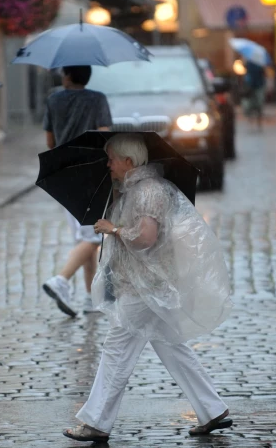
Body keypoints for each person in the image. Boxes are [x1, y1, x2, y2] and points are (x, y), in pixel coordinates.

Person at [63, 134, 234, 443]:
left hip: (145, 287)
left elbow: (146, 238)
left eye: (112, 159)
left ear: (129, 161)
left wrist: (112, 229)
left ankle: (96, 421)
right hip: (150, 285)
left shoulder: (147, 192)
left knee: (117, 351)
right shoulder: (135, 190)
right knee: (173, 347)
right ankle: (212, 409)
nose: (108, 164)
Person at [42, 65, 112, 317]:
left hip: (62, 173)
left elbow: (50, 142)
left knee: (86, 237)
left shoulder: (53, 100)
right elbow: (104, 136)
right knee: (92, 237)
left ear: (68, 75)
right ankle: (61, 280)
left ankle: (92, 299)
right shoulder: (98, 99)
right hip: (90, 172)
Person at [242, 59, 267, 131]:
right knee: (249, 104)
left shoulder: (261, 62)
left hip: (259, 85)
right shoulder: (248, 61)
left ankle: (258, 122)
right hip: (250, 85)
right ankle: (251, 122)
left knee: (259, 104)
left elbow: (263, 73)